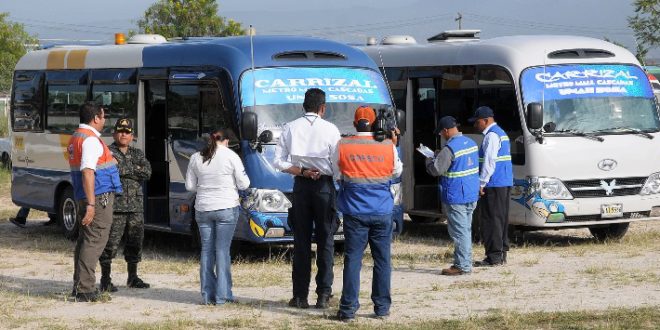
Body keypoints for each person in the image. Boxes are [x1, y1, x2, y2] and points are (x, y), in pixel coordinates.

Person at [333, 106, 402, 322]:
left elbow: (336, 174)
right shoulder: (387, 146)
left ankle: (347, 310)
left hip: (354, 212)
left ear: (354, 124)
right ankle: (381, 308)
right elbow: (397, 171)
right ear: (374, 124)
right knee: (382, 260)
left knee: (353, 259)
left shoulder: (343, 145)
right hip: (382, 210)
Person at [273, 88, 341, 309]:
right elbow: (337, 165)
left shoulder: (290, 127)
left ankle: (300, 296)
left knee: (301, 242)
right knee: (326, 240)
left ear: (303, 106)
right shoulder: (331, 129)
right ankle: (323, 295)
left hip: (301, 186)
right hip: (324, 186)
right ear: (323, 108)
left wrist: (302, 171)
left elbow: (279, 162)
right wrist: (327, 174)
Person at [185, 128, 250, 305]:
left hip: (203, 208)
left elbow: (190, 186)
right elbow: (244, 183)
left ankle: (207, 296)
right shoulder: (231, 156)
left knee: (207, 250)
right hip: (226, 208)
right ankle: (223, 297)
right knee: (222, 251)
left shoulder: (196, 157)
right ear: (226, 141)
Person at [68, 102, 123, 302]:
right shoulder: (90, 140)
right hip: (98, 197)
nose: (105, 120)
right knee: (94, 240)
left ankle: (80, 285)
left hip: (86, 195)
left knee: (85, 240)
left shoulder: (77, 137)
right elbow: (88, 171)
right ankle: (85, 289)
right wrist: (91, 205)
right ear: (96, 118)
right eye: (103, 116)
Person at [99, 118, 152, 292]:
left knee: (135, 242)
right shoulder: (107, 151)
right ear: (114, 133)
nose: (124, 134)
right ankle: (105, 280)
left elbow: (147, 172)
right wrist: (133, 169)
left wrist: (123, 167)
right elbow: (107, 171)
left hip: (135, 207)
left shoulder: (138, 153)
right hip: (115, 207)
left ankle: (133, 277)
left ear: (132, 136)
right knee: (110, 244)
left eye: (127, 132)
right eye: (120, 131)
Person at [425, 116, 479, 275]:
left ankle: (462, 266)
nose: (441, 136)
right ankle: (465, 262)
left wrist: (429, 160)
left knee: (459, 232)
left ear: (446, 131)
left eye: (441, 133)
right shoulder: (472, 143)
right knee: (466, 229)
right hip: (471, 193)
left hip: (456, 196)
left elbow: (436, 170)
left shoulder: (450, 149)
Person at [469, 106, 513, 267]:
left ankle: (493, 256)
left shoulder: (491, 136)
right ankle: (501, 254)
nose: (475, 125)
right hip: (503, 182)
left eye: (477, 122)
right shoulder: (501, 133)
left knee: (490, 219)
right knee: (501, 219)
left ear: (486, 120)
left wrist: (482, 183)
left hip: (493, 183)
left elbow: (489, 162)